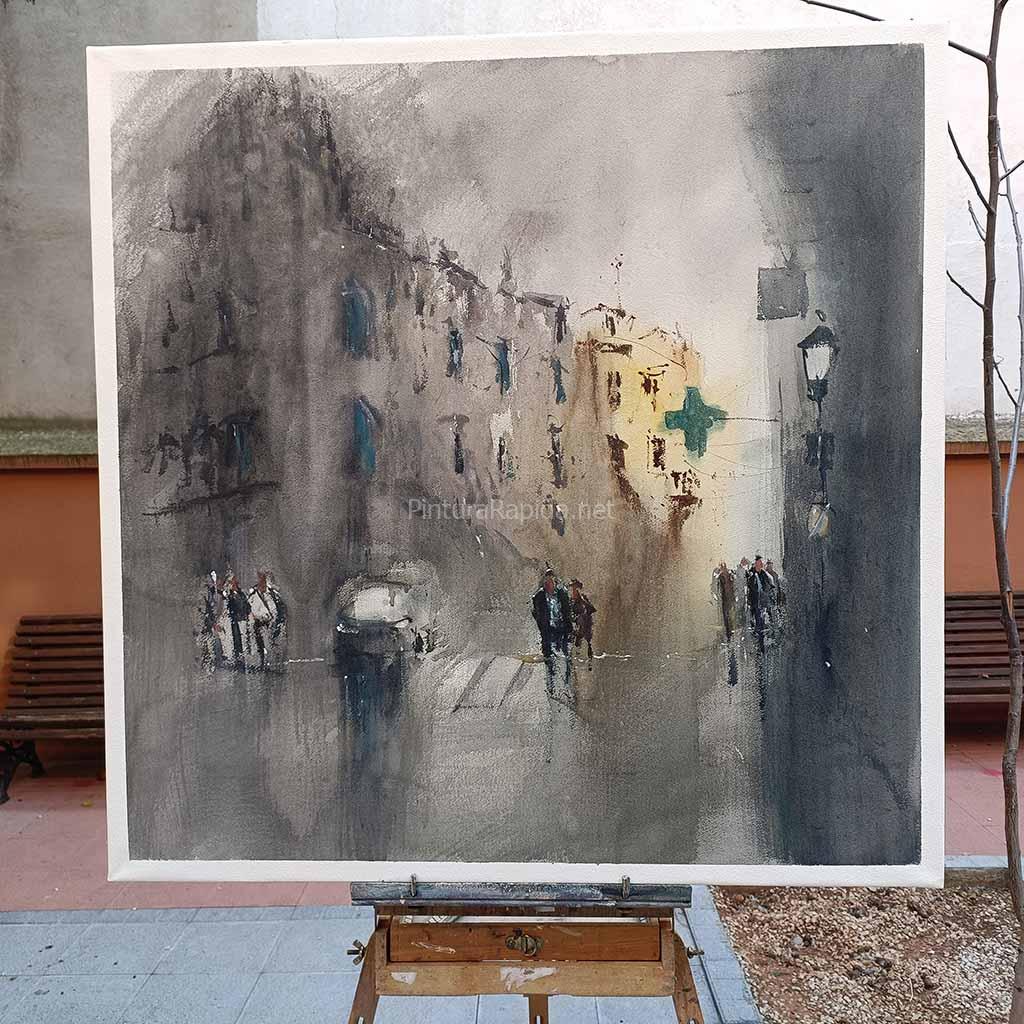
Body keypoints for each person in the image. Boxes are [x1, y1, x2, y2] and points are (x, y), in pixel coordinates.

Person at [531, 568, 572, 694]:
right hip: (548, 631)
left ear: (555, 582)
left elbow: (567, 612)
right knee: (550, 659)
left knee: (566, 658)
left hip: (561, 630)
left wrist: (569, 628)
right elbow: (535, 612)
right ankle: (552, 687)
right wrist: (542, 625)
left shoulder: (562, 594)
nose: (548, 584)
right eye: (546, 582)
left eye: (551, 581)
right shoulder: (539, 596)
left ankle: (566, 687)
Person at [248, 571, 283, 671]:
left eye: (263, 579)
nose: (261, 581)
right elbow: (250, 609)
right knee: (262, 646)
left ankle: (270, 664)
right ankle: (263, 664)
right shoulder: (253, 594)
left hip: (271, 623)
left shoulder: (272, 593)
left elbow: (276, 608)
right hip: (259, 624)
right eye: (260, 578)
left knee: (270, 645)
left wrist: (274, 620)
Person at [745, 555, 775, 652]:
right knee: (757, 622)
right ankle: (758, 645)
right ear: (756, 564)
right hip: (754, 602)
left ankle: (761, 646)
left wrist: (768, 591)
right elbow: (750, 586)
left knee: (761, 622)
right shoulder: (751, 574)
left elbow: (770, 584)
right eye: (759, 563)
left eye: (762, 563)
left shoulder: (764, 574)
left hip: (762, 602)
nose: (761, 565)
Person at [224, 571, 251, 670]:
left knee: (244, 639)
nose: (236, 581)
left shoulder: (241, 593)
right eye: (233, 580)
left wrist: (247, 613)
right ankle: (238, 660)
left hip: (243, 619)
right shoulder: (229, 595)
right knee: (237, 639)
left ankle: (242, 659)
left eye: (235, 580)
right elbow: (229, 608)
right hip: (235, 620)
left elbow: (247, 604)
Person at [569, 578, 596, 669]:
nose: (573, 590)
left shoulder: (583, 598)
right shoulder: (572, 600)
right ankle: (574, 663)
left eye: (575, 588)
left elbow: (591, 609)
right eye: (572, 588)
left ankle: (590, 662)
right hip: (577, 625)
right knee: (576, 643)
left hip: (585, 624)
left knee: (587, 642)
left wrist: (583, 602)